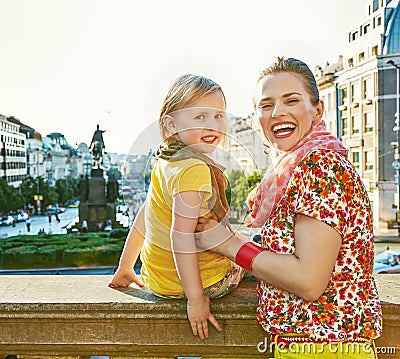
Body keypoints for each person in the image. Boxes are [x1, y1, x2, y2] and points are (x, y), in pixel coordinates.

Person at [195, 57, 382, 358]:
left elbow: (308, 281)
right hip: (311, 347)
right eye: (266, 105)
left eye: (291, 100)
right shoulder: (292, 168)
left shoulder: (320, 166)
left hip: (327, 349)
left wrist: (229, 245)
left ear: (317, 109)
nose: (277, 112)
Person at [108, 74, 244, 340]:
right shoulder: (194, 169)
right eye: (200, 116)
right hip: (204, 284)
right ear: (170, 124)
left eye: (218, 116)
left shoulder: (166, 162)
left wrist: (126, 267)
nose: (213, 124)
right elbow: (181, 238)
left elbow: (146, 215)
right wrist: (196, 299)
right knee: (253, 257)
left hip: (157, 280)